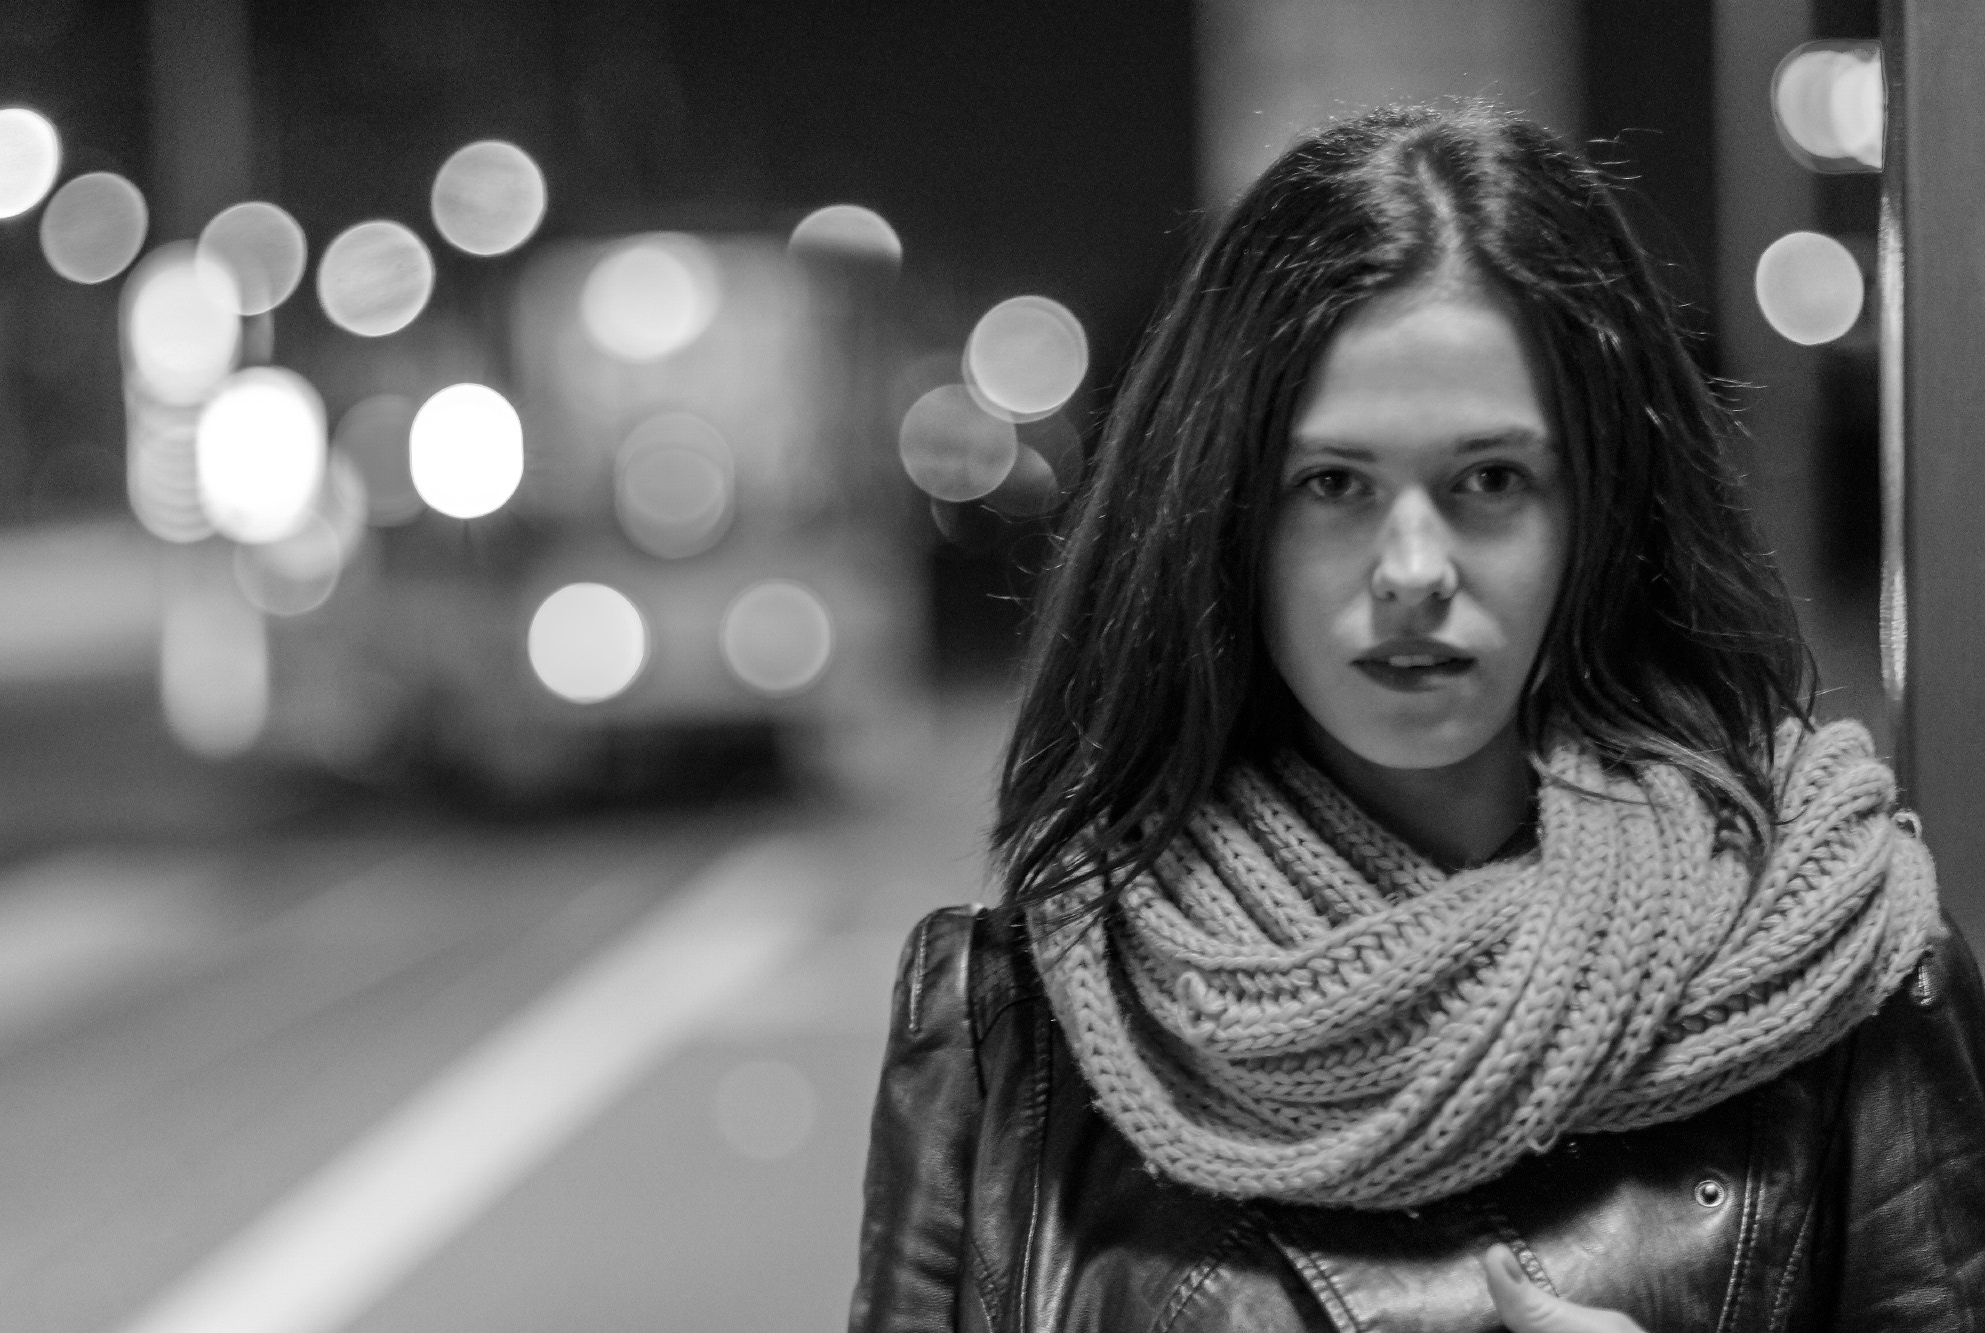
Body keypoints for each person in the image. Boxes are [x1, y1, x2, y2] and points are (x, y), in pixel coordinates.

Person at [848, 103, 1985, 1333]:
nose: (1410, 567)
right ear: (1227, 519)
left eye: (1487, 481)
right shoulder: (1023, 1020)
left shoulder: (1838, 958)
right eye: (1331, 483)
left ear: (1597, 511)